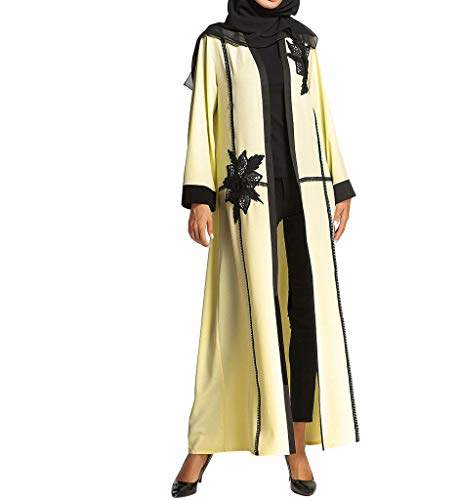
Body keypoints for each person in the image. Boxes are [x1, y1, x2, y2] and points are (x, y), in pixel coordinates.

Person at [172, 1, 359, 496]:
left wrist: (340, 184)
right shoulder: (216, 43)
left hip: (306, 189)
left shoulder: (304, 42)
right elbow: (201, 120)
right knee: (244, 315)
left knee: (305, 314)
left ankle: (295, 444)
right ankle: (205, 440)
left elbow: (321, 113)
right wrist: (199, 197)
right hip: (245, 196)